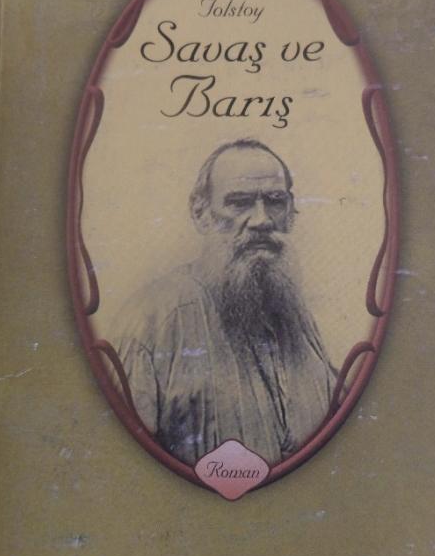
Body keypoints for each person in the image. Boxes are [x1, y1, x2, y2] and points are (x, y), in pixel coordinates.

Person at [112, 138, 338, 467]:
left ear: (290, 212)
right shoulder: (151, 322)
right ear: (200, 213)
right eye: (239, 203)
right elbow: (124, 464)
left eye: (275, 201)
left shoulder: (297, 317)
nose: (261, 220)